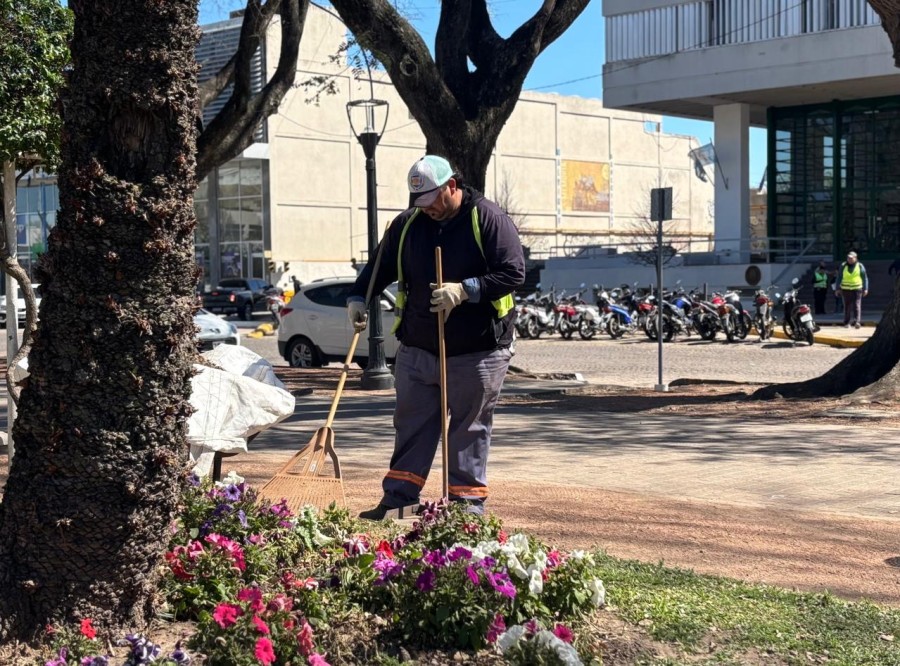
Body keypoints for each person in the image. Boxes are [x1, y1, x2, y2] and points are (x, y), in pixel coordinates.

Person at [346, 155, 525, 520]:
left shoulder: (488, 218)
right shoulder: (409, 223)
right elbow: (380, 265)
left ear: (452, 187)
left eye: (432, 201)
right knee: (411, 423)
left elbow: (513, 272)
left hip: (478, 349)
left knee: (468, 428)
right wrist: (357, 297)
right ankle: (399, 499)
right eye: (420, 203)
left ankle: (465, 505)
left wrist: (466, 289)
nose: (427, 210)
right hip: (418, 345)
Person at [835, 251, 868, 328]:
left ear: (855, 258)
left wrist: (866, 288)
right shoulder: (843, 265)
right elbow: (839, 277)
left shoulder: (860, 266)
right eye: (848, 258)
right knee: (847, 306)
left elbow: (864, 278)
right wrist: (837, 288)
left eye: (851, 258)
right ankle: (847, 323)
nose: (849, 259)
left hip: (857, 288)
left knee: (857, 305)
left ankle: (857, 322)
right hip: (845, 289)